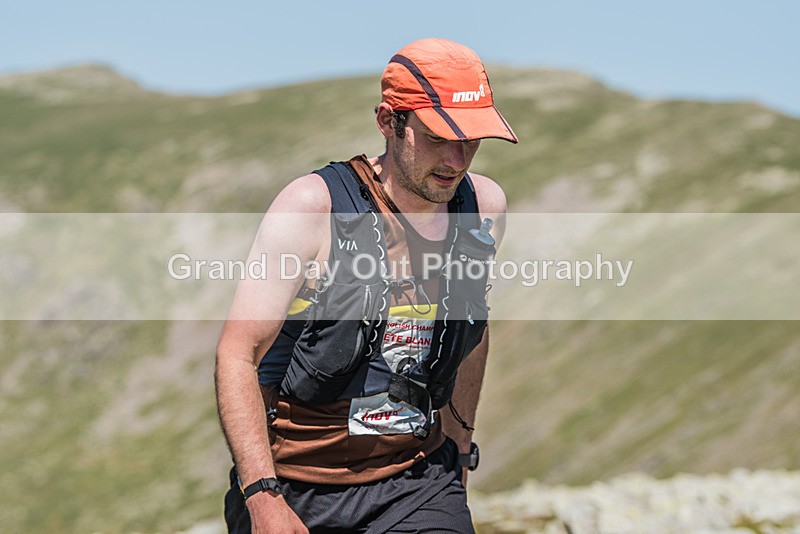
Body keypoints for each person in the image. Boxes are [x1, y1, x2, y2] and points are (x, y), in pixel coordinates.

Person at [215, 37, 518, 533]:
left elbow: (471, 334)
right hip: (295, 486)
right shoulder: (313, 209)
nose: (457, 159)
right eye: (439, 136)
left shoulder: (482, 209)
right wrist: (262, 496)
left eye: (472, 139)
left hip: (415, 482)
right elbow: (237, 354)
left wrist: (461, 450)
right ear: (387, 122)